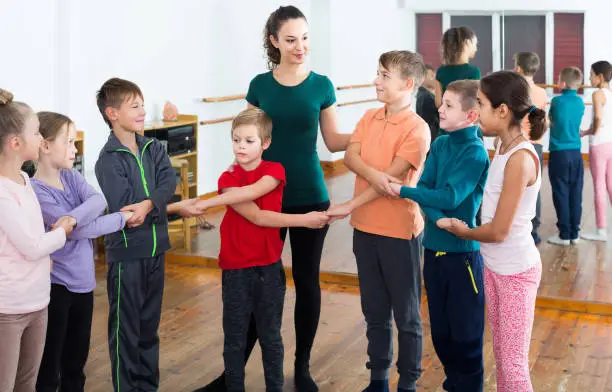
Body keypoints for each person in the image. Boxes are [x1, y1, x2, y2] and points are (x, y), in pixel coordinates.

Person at [199, 6, 351, 392]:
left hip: (309, 195)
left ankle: (302, 369)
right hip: (264, 199)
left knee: (306, 281)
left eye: (304, 38)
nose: (300, 46)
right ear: (273, 42)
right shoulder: (260, 86)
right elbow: (247, 139)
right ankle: (230, 375)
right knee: (255, 284)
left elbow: (333, 142)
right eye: (290, 40)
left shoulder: (322, 85)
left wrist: (379, 130)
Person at [327, 50, 430, 392]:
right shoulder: (369, 117)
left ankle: (409, 383)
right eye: (378, 73)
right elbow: (351, 158)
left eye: (384, 76)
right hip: (364, 229)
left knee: (407, 315)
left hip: (400, 233)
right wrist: (376, 177)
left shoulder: (418, 129)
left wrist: (349, 204)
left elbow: (395, 181)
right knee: (374, 310)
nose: (376, 80)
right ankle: (378, 379)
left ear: (408, 83)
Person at [439, 71, 546, 391]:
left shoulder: (520, 159)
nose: (477, 112)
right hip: (496, 267)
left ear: (502, 111)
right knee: (501, 354)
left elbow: (499, 231)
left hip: (516, 271)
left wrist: (464, 232)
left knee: (513, 364)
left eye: (482, 105)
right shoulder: (501, 145)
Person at [390, 80, 488, 391]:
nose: (439, 109)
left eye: (448, 105)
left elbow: (448, 196)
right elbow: (428, 192)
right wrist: (437, 214)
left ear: (471, 115)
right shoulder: (441, 144)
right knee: (442, 335)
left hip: (463, 260)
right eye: (441, 102)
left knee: (466, 337)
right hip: (432, 253)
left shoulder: (475, 153)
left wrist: (402, 190)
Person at [31, 112, 131, 392]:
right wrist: (122, 219)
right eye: (70, 142)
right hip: (57, 287)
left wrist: (72, 217)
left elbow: (98, 200)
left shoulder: (71, 177)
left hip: (84, 285)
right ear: (45, 146)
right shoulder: (37, 192)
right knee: (50, 365)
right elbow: (78, 233)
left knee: (76, 363)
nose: (75, 149)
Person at [95, 77, 176, 391]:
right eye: (135, 106)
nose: (143, 111)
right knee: (125, 333)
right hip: (127, 257)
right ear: (112, 113)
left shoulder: (153, 147)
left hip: (156, 251)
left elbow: (168, 183)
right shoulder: (108, 160)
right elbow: (124, 208)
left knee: (148, 330)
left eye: (142, 104)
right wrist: (146, 205)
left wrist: (148, 204)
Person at [0, 89, 74, 391]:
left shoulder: (26, 180)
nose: (40, 135)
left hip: (37, 301)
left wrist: (48, 244)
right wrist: (62, 232)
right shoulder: (2, 193)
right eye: (35, 132)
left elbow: (33, 240)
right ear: (16, 143)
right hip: (9, 308)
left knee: (27, 382)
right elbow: (32, 246)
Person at [547, 67, 586, 246]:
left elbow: (550, 121)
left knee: (560, 192)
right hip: (576, 154)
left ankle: (564, 234)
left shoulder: (556, 101)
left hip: (558, 153)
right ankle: (574, 233)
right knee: (575, 192)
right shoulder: (580, 102)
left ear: (562, 83)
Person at [514, 52, 549, 245]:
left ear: (518, 68)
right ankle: (533, 231)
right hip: (536, 144)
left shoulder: (516, 91)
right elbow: (545, 121)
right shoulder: (542, 93)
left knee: (514, 188)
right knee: (534, 190)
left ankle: (518, 229)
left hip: (518, 144)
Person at [581, 61, 612, 242]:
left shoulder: (597, 94)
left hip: (599, 145)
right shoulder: (610, 94)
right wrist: (586, 131)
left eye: (591, 75)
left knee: (599, 186)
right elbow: (600, 119)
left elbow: (599, 117)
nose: (589, 78)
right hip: (610, 143)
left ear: (600, 77)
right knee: (610, 185)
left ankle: (601, 230)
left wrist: (594, 132)